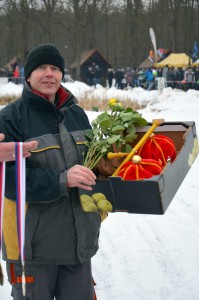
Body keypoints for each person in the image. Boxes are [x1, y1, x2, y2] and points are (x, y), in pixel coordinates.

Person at [0, 43, 101, 300]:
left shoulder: (77, 115)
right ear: (28, 75)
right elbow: (9, 181)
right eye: (41, 67)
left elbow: (93, 167)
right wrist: (61, 180)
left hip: (78, 246)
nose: (49, 74)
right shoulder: (10, 118)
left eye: (55, 68)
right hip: (33, 250)